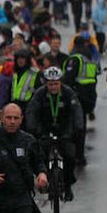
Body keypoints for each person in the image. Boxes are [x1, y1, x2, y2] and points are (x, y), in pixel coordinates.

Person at [26, 66, 83, 197]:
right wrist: (32, 128)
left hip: (64, 128)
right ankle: (46, 180)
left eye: (56, 84)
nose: (53, 87)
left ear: (60, 83)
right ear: (46, 83)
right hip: (45, 128)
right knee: (41, 154)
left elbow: (77, 111)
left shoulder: (68, 93)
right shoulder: (40, 94)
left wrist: (77, 128)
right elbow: (32, 111)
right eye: (50, 84)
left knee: (69, 156)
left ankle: (68, 185)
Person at [63, 34, 100, 123]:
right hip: (89, 93)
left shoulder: (75, 57)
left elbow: (69, 77)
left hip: (77, 91)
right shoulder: (89, 57)